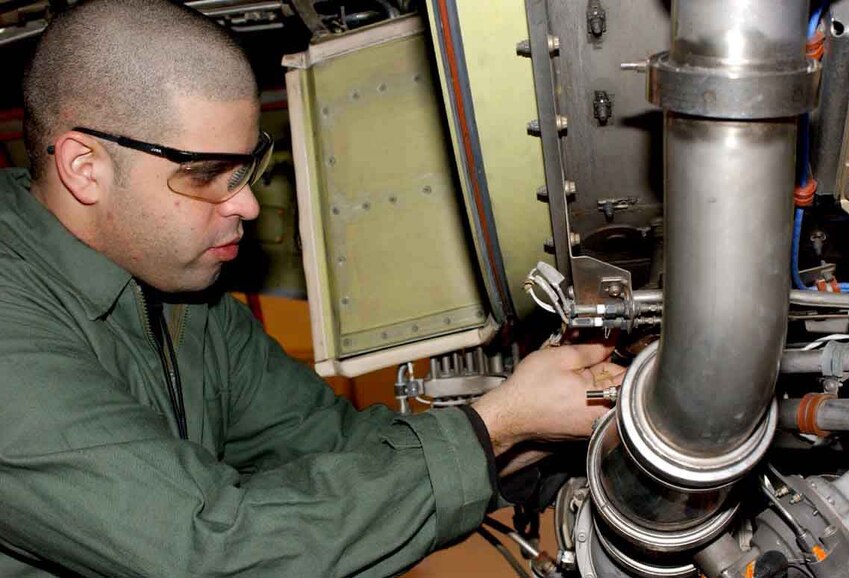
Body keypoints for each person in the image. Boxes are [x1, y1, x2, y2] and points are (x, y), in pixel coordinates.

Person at [0, 1, 625, 576]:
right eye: (208, 174)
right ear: (86, 168)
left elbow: (336, 451)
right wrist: (495, 427)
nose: (246, 203)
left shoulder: (189, 299)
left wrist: (533, 432)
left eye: (247, 166)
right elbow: (209, 548)